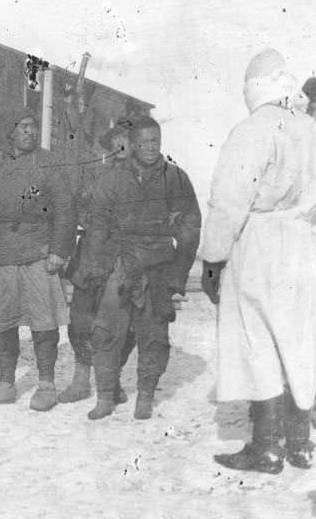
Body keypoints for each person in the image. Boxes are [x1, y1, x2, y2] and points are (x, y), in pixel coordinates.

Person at [200, 48, 316, 473]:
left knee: (257, 342)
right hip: (298, 244)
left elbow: (229, 201)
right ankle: (300, 444)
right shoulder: (313, 131)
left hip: (257, 240)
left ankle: (267, 447)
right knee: (299, 342)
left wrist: (214, 259)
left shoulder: (252, 129)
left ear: (252, 91)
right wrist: (303, 245)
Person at [71, 115, 201, 421]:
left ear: (161, 142)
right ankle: (105, 396)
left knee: (154, 337)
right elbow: (98, 226)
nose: (150, 148)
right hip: (118, 265)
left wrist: (178, 276)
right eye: (143, 142)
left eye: (155, 141)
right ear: (132, 144)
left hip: (157, 268)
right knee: (105, 333)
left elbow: (189, 229)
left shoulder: (176, 179)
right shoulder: (112, 179)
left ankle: (145, 395)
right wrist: (94, 267)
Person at [0, 109, 75, 412]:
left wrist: (58, 250)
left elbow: (65, 209)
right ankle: (6, 382)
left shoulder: (49, 163)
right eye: (23, 127)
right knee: (1, 321)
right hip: (2, 252)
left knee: (44, 321)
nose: (29, 132)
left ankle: (46, 384)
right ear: (10, 132)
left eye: (33, 127)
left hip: (38, 252)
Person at [60, 121, 135, 404]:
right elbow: (76, 206)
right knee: (80, 320)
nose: (120, 146)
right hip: (90, 256)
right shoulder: (95, 175)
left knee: (122, 326)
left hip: (125, 259)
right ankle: (80, 382)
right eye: (115, 140)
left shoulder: (146, 179)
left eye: (126, 139)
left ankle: (111, 381)